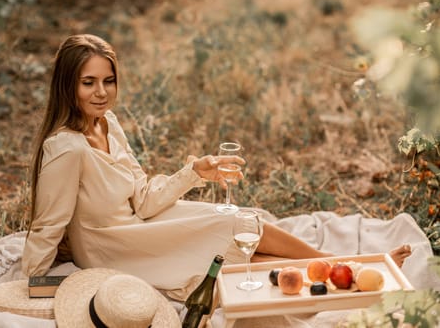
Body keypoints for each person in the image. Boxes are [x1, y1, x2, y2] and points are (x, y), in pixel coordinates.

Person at [21, 34, 411, 299]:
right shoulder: (66, 149)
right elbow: (47, 225)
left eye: (108, 80)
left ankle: (352, 275)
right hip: (114, 248)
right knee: (230, 228)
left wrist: (196, 171)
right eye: (88, 83)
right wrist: (27, 284)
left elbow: (141, 197)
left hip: (139, 223)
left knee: (241, 236)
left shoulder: (108, 123)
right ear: (67, 86)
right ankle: (357, 269)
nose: (102, 92)